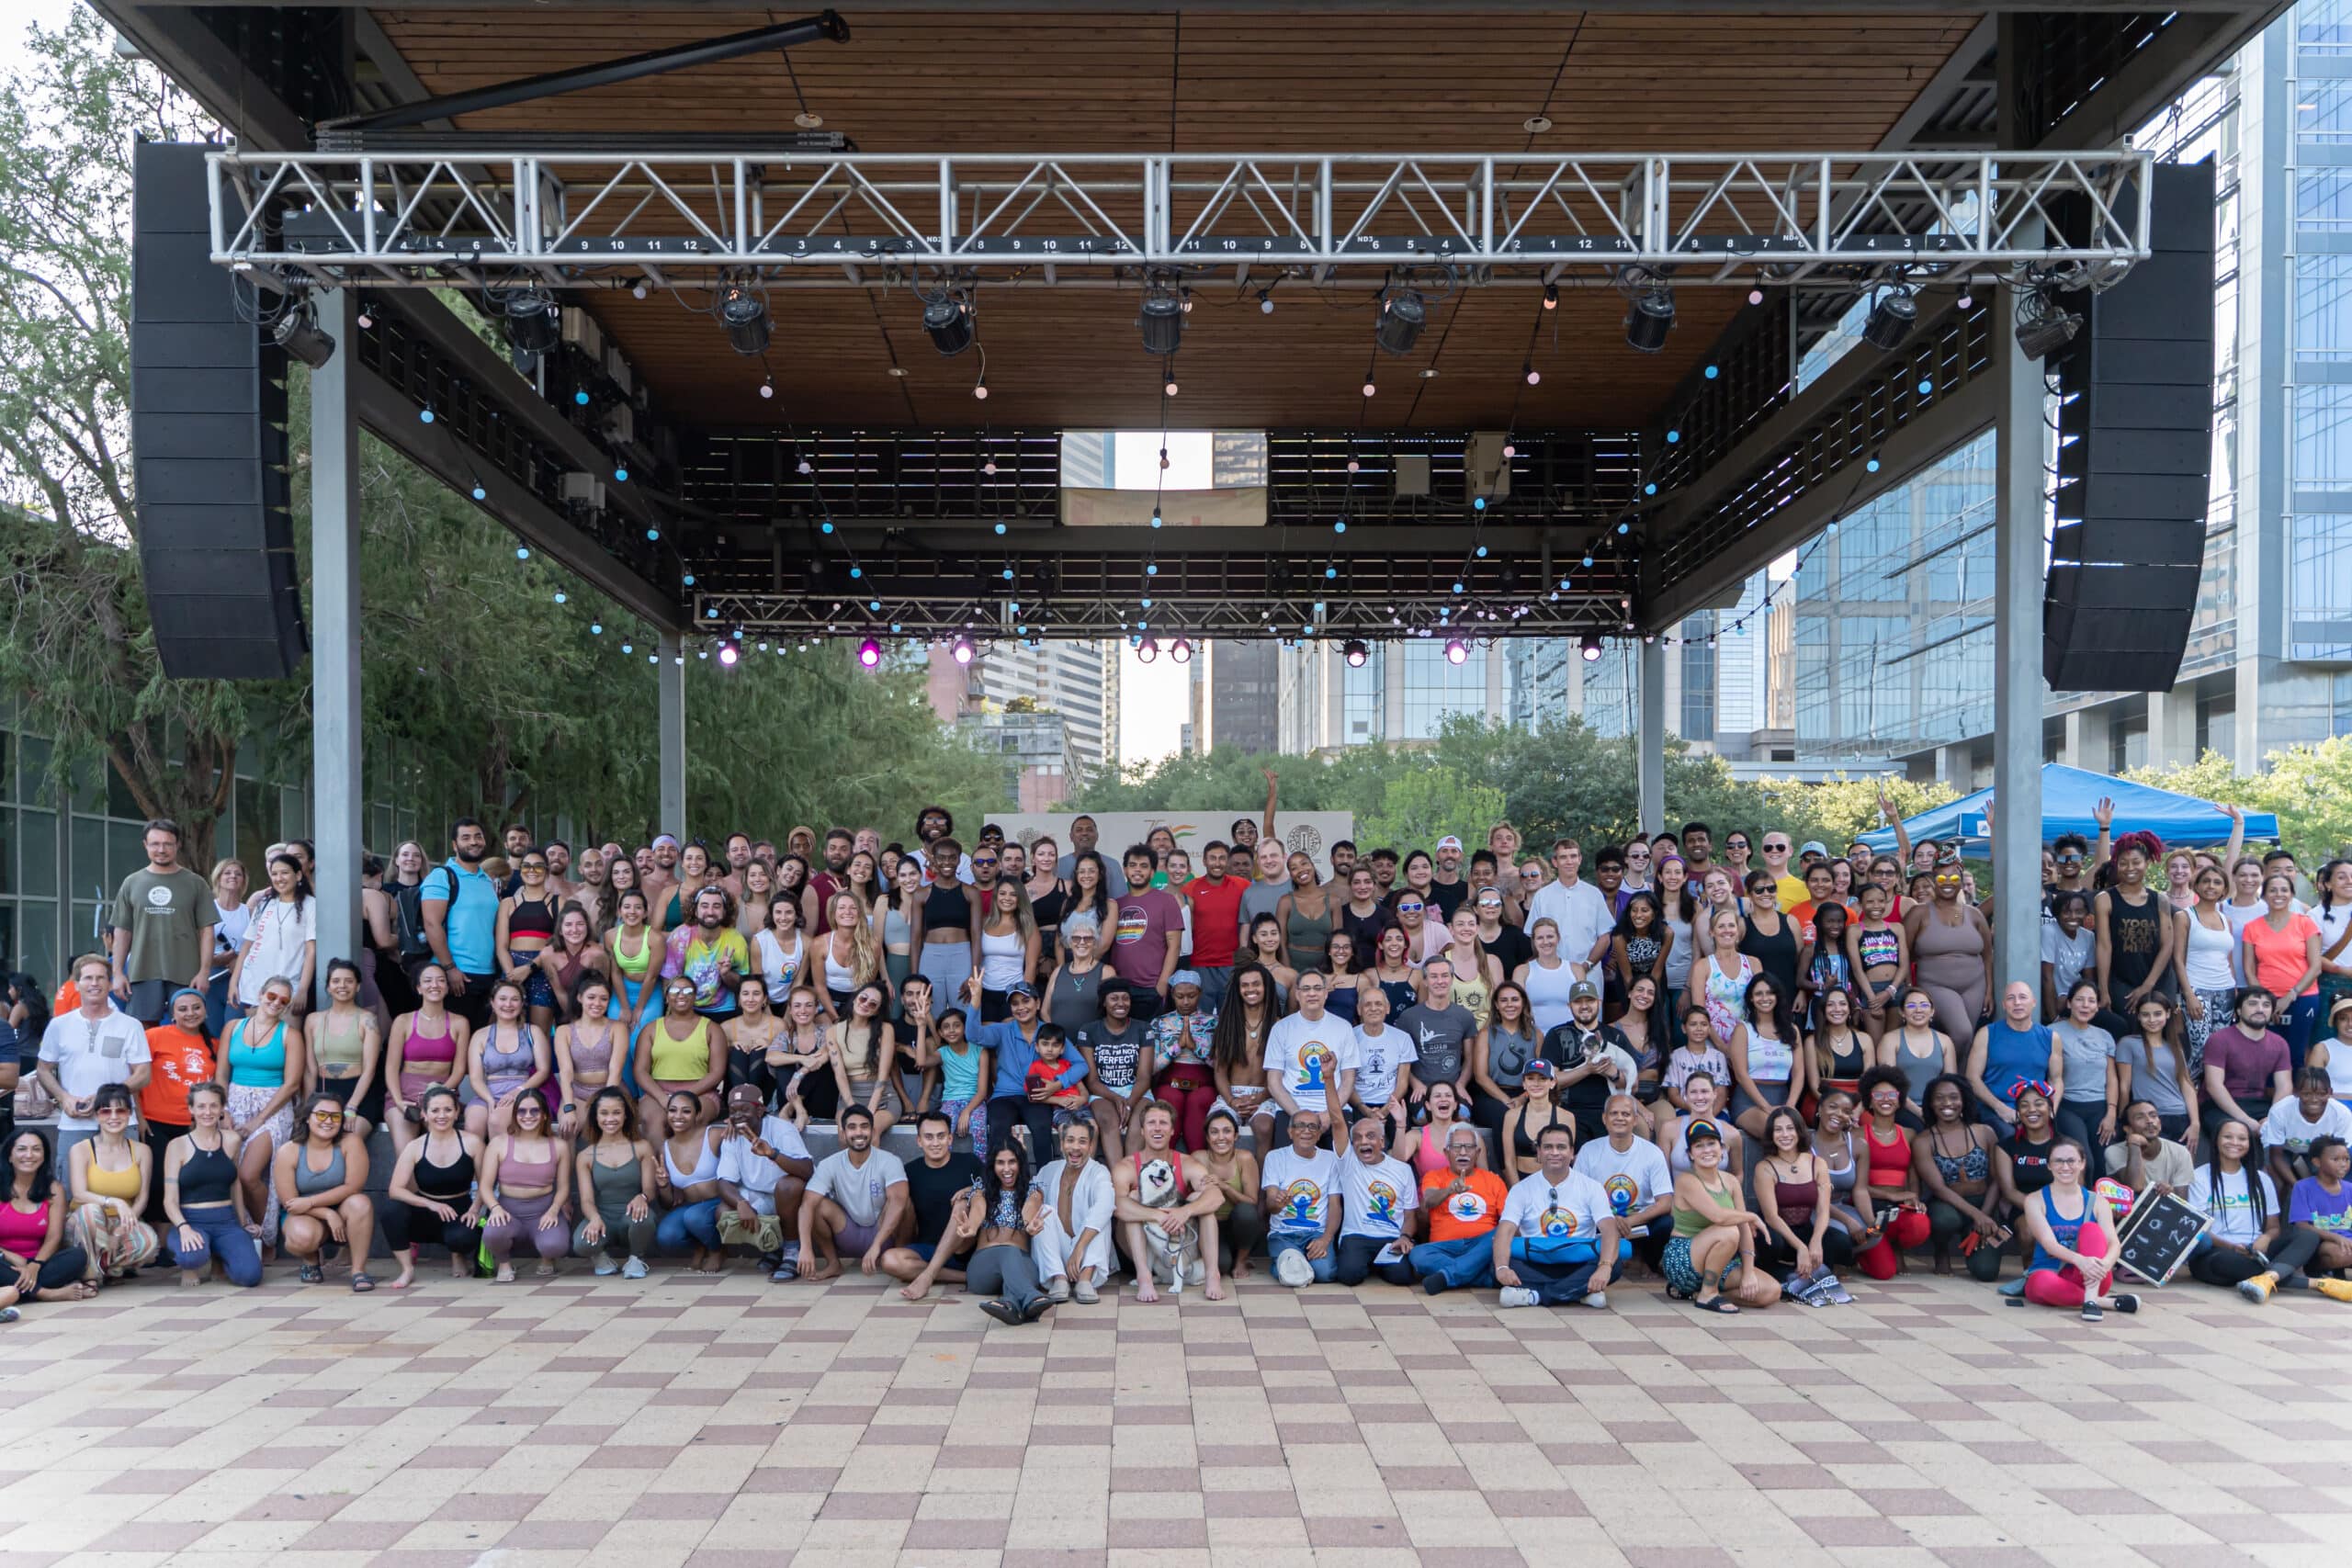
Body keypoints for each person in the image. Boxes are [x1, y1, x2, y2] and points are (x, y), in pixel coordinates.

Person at [38, 953, 153, 1178]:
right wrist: (64, 1098)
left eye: (101, 978)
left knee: (124, 1191)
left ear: (110, 984)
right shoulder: (59, 1025)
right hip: (75, 1122)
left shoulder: (130, 1025)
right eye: (88, 978)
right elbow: (43, 1069)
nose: (94, 983)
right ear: (76, 984)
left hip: (119, 1118)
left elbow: (143, 1074)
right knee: (70, 1194)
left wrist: (106, 1098)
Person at [1493, 1122, 1623, 1310]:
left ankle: (1536, 1295)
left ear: (1571, 1153)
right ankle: (1578, 1293)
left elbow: (1610, 1230)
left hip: (1579, 1264)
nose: (1554, 1152)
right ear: (1538, 1152)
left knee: (1614, 1264)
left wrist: (1604, 1267)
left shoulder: (1591, 1187)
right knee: (1497, 1262)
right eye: (1547, 1147)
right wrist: (1502, 1268)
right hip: (1536, 1264)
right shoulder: (1521, 1189)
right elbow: (1505, 1231)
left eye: (1561, 1147)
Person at [1114, 1100, 1227, 1301]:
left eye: (1163, 1123)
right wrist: (1158, 1215)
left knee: (1199, 1199)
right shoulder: (1128, 1166)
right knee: (1133, 1198)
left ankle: (1212, 1275)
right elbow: (1118, 1207)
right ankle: (1144, 1278)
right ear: (1142, 1131)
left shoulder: (1185, 1162)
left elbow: (1216, 1196)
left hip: (1181, 1246)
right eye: (1151, 1123)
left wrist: (1186, 1211)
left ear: (1173, 1130)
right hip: (1142, 1249)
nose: (1157, 1128)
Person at [2018, 1140, 2140, 1320]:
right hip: (2051, 1274)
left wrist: (2105, 1265)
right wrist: (2080, 1260)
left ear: (2082, 1164)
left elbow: (2113, 1243)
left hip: (2094, 1277)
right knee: (2039, 1284)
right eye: (2058, 1161)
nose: (2065, 1166)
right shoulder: (2035, 1200)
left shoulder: (2099, 1201)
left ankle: (2091, 1298)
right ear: (2049, 1165)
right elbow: (2049, 1244)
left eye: (2071, 1160)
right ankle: (2101, 1302)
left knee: (2091, 1229)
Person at [109, 818, 214, 1025]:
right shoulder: (132, 883)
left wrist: (204, 972)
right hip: (142, 971)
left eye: (167, 844)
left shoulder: (196, 883)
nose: (161, 849)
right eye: (155, 844)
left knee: (187, 1029)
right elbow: (122, 931)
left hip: (186, 972)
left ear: (178, 845)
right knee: (143, 1033)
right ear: (145, 845)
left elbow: (207, 932)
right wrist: (118, 972)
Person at [381, 1084, 487, 1287]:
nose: (442, 1115)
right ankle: (407, 1269)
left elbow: (485, 1184)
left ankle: (458, 1254)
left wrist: (475, 1210)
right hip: (426, 1210)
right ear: (424, 1114)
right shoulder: (415, 1147)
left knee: (462, 1237)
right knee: (391, 1211)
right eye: (435, 1110)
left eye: (448, 1110)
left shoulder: (473, 1143)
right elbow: (395, 1190)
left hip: (460, 1211)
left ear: (457, 1113)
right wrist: (430, 1204)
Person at [1662, 1119, 1772, 1311]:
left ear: (1722, 1149)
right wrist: (1752, 1217)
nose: (1707, 1150)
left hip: (1722, 1260)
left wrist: (1748, 1272)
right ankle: (1708, 1293)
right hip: (1685, 1258)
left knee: (1770, 1291)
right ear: (1690, 1154)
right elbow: (1719, 1217)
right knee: (1729, 1230)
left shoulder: (1731, 1181)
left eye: (1711, 1144)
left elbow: (1744, 1230)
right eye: (1699, 1146)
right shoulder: (1686, 1181)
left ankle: (1699, 1293)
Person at [161, 1081, 263, 1288]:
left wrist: (242, 1224)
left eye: (213, 1106)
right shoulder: (178, 1145)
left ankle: (219, 1257)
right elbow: (169, 1200)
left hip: (226, 1220)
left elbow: (234, 1184)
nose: (207, 1112)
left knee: (250, 1276)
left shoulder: (232, 1140)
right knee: (192, 1257)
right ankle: (190, 1264)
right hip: (191, 1219)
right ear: (191, 1109)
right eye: (201, 1106)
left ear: (222, 1109)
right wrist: (184, 1228)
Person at [273, 1091, 378, 1291]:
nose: (328, 1121)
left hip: (342, 1209)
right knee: (301, 1237)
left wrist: (315, 1203)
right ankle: (311, 1260)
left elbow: (353, 1186)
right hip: (303, 1213)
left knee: (360, 1203)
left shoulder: (351, 1142)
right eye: (321, 1115)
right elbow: (290, 1202)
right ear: (307, 1118)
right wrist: (327, 1213)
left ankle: (358, 1270)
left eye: (335, 1116)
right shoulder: (289, 1151)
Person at [1752, 1105, 1854, 1304]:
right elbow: (1771, 1216)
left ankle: (1803, 1274)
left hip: (1804, 1228)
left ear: (1799, 1131)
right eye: (1778, 1130)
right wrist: (1801, 1248)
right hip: (1776, 1231)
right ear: (1771, 1134)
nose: (1785, 1135)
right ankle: (1774, 1273)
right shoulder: (1764, 1167)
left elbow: (1823, 1210)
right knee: (1773, 1242)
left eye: (1790, 1129)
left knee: (1839, 1241)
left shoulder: (1817, 1163)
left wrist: (1815, 1241)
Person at [797, 1104, 910, 1281]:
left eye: (864, 1127)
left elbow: (898, 1202)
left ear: (873, 1131)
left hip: (885, 1234)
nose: (859, 1133)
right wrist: (805, 1247)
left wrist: (876, 1246)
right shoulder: (829, 1164)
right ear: (842, 1133)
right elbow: (806, 1205)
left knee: (905, 1202)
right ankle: (833, 1263)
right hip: (848, 1232)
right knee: (816, 1205)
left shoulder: (890, 1161)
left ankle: (900, 1259)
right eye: (852, 1127)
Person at [883, 1110, 987, 1298]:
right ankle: (964, 1277)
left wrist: (972, 1190)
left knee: (962, 1203)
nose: (935, 1143)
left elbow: (994, 1190)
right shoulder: (910, 1171)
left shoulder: (969, 1162)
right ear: (919, 1141)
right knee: (890, 1260)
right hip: (927, 1249)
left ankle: (927, 1276)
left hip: (964, 1247)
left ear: (950, 1139)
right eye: (929, 1137)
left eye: (941, 1136)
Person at [2237, 1134, 2352, 1303]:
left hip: (2346, 1240)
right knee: (2341, 1254)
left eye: (2346, 1159)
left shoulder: (2349, 1188)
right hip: (2317, 1243)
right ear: (2317, 1162)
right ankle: (2315, 1267)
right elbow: (2301, 1225)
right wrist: (2336, 1237)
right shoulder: (2303, 1187)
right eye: (2336, 1159)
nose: (2343, 1164)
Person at [713, 1083, 814, 1275]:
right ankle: (773, 1248)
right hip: (759, 1194)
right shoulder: (732, 1136)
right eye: (733, 1111)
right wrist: (741, 1203)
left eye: (745, 1109)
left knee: (788, 1187)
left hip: (792, 1198)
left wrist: (772, 1154)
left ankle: (791, 1252)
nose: (738, 1115)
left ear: (760, 1110)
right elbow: (724, 1181)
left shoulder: (781, 1129)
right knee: (724, 1210)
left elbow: (806, 1170)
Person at [1915, 1074, 2007, 1281]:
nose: (1947, 1103)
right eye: (1939, 1098)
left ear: (1964, 1100)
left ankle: (1976, 1245)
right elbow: (1938, 1188)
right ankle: (1941, 1249)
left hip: (1986, 1203)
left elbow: (1997, 1179)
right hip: (1949, 1204)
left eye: (1954, 1097)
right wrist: (1977, 1215)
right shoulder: (1924, 1141)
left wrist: (1985, 1215)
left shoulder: (1985, 1132)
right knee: (1944, 1220)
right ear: (1930, 1103)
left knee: (1987, 1272)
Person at [1574, 1093, 1676, 1280]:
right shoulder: (1589, 1150)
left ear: (1635, 1120)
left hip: (1640, 1223)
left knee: (1666, 1224)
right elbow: (1577, 1196)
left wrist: (1630, 1221)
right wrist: (1608, 1219)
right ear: (1605, 1119)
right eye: (1614, 1113)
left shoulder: (1652, 1153)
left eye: (1626, 1114)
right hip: (1600, 1222)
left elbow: (1666, 1202)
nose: (1620, 1118)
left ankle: (1649, 1262)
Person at [64, 1084, 160, 1282]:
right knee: (92, 1212)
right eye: (106, 1111)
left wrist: (119, 1230)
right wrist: (116, 1202)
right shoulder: (81, 1149)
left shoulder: (142, 1151)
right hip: (84, 1223)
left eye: (121, 1110)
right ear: (97, 1116)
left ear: (130, 1114)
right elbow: (79, 1193)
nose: (113, 1117)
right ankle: (91, 1276)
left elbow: (142, 1198)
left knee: (149, 1241)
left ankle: (103, 1265)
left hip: (122, 1221)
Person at [951, 1140, 1053, 1325]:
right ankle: (1031, 1297)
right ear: (992, 1165)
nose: (1007, 1169)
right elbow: (977, 1210)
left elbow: (1030, 1209)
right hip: (983, 1269)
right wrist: (971, 1227)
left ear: (1020, 1163)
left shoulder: (1033, 1191)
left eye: (1012, 1162)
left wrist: (1030, 1225)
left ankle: (1011, 1306)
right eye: (1000, 1162)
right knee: (1009, 1251)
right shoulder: (981, 1190)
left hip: (1022, 1264)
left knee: (1014, 1265)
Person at [138, 987, 217, 1223]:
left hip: (195, 1126)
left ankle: (180, 1239)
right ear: (172, 1013)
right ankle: (155, 1243)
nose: (190, 1013)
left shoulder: (214, 1044)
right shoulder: (154, 1036)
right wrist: (139, 1117)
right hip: (155, 1123)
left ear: (205, 1010)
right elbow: (135, 1077)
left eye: (196, 1007)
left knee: (188, 1183)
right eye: (182, 1009)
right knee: (157, 1183)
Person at [1, 1128, 96, 1313]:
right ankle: (45, 1293)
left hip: (39, 1262)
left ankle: (21, 1289)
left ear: (44, 1156)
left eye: (36, 1149)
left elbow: (54, 1237)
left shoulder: (53, 1189)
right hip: (4, 1261)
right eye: (21, 1149)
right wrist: (11, 1256)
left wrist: (35, 1265)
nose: (29, 1155)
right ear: (10, 1156)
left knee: (77, 1257)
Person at [480, 1089, 571, 1281]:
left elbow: (563, 1187)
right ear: (515, 1115)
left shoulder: (559, 1146)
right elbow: (485, 1186)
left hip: (544, 1211)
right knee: (493, 1233)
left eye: (534, 1111)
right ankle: (504, 1263)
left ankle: (547, 1259)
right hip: (508, 1211)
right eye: (521, 1111)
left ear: (545, 1114)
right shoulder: (498, 1144)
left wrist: (554, 1210)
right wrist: (495, 1209)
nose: (528, 1116)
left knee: (556, 1245)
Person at [1409, 1122, 1510, 1293]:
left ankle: (1448, 1276)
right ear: (1446, 1152)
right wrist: (1449, 1190)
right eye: (1456, 1147)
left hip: (1482, 1245)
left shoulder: (1493, 1181)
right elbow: (1428, 1200)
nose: (1463, 1152)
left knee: (1503, 1231)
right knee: (1418, 1254)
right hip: (1445, 1247)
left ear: (1478, 1153)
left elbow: (1509, 1221)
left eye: (1469, 1147)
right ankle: (1480, 1276)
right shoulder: (1434, 1176)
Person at [2182, 1120, 2281, 1292]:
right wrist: (2233, 1247)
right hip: (2219, 1251)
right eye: (2228, 1137)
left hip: (2257, 1250)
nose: (2235, 1143)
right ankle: (2286, 1277)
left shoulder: (2262, 1179)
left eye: (2242, 1139)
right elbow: (2199, 1229)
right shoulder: (2200, 1177)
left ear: (2249, 1144)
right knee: (2225, 1263)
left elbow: (2274, 1227)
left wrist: (2265, 1238)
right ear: (2216, 1141)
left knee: (2304, 1237)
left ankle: (2264, 1276)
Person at [421, 820, 501, 1028]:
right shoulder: (442, 876)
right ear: (455, 845)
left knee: (477, 1044)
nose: (473, 842)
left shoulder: (486, 880)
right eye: (466, 838)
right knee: (454, 1043)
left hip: (487, 974)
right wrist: (449, 968)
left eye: (478, 836)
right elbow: (431, 923)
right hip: (458, 975)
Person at [385, 964, 469, 1160]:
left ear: (447, 987)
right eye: (428, 980)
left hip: (443, 1091)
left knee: (440, 1154)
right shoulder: (403, 1021)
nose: (435, 985)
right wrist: (398, 1101)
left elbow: (459, 1070)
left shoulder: (459, 1023)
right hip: (405, 1094)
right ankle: (407, 1191)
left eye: (441, 980)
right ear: (418, 988)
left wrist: (438, 1094)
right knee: (406, 1154)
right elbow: (390, 1068)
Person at [2095, 831, 2175, 1037]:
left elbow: (2167, 945)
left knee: (2162, 1037)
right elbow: (2104, 946)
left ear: (2147, 862)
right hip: (2122, 982)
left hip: (2157, 981)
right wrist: (2103, 991)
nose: (2130, 868)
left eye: (2136, 862)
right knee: (2129, 1034)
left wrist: (2148, 985)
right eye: (2123, 863)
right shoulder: (2105, 899)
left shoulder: (2160, 900)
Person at [1907, 862, 1993, 1047]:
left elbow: (1987, 955)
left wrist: (1989, 990)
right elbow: (1904, 954)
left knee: (1967, 1039)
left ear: (1961, 882)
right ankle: (1947, 1074)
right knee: (1962, 1033)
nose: (1948, 882)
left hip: (1974, 986)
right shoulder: (1918, 913)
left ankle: (1959, 1076)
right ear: (1933, 882)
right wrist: (1909, 990)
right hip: (1936, 985)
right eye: (1941, 878)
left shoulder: (1974, 914)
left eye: (1954, 878)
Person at [1263, 969, 1356, 1144]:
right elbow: (1273, 1082)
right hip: (1291, 1110)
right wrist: (1299, 1116)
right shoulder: (1281, 1029)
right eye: (1306, 989)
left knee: (1343, 1164)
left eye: (1317, 988)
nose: (1312, 993)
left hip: (1335, 1110)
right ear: (1297, 994)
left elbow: (1348, 1079)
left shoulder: (1343, 1027)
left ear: (1326, 993)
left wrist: (1330, 1114)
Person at [1031, 1113, 1114, 1302]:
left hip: (1086, 1251)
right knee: (1044, 1213)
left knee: (1102, 1215)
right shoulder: (1048, 1170)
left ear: (1091, 1147)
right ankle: (1059, 1278)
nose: (1076, 1147)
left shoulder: (1099, 1172)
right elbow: (1031, 1196)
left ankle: (1085, 1278)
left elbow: (1104, 1206)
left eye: (1082, 1142)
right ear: (1061, 1144)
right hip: (1056, 1252)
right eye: (1070, 1140)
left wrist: (1079, 1248)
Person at [2244, 872, 2324, 1061]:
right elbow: (2249, 968)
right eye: (2272, 890)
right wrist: (2265, 1001)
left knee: (2296, 1053)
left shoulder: (2306, 923)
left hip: (2303, 997)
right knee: (2267, 1054)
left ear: (2292, 894)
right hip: (2266, 998)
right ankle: (2271, 1091)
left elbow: (2316, 967)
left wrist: (2290, 996)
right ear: (2263, 895)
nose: (2278, 894)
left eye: (2284, 890)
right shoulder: (2252, 927)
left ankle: (2296, 1090)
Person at [1965, 980, 2062, 1134]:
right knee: (2009, 1136)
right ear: (2004, 1004)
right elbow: (1972, 1078)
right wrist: (2000, 1108)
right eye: (2011, 998)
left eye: (2023, 997)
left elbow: (2056, 1079)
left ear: (2034, 1002)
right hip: (1994, 1108)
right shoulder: (1987, 1033)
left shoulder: (2050, 1037)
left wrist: (2051, 1110)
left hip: (2034, 1108)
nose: (2017, 1003)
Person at [1261, 1107, 1343, 1288]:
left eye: (1313, 1126)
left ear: (1320, 1134)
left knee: (1326, 1274)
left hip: (1316, 1233)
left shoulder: (1330, 1160)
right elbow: (1271, 1205)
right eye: (1300, 1126)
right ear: (1290, 1132)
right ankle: (1289, 1261)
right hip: (1283, 1234)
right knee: (1293, 1272)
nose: (1306, 1131)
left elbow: (1335, 1206)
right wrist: (1278, 1204)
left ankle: (1292, 1262)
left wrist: (1325, 1239)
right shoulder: (1275, 1157)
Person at [305, 958, 385, 1141]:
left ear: (357, 987)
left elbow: (370, 1069)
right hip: (324, 1090)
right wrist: (307, 1105)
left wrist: (352, 1107)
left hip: (359, 1092)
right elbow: (310, 1071)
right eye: (336, 981)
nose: (342, 985)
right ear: (328, 987)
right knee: (313, 1139)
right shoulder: (313, 1020)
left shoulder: (367, 1020)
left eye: (349, 981)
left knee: (348, 1140)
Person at [637, 977, 726, 1130]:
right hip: (659, 1093)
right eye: (674, 991)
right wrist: (662, 1098)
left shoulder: (712, 1029)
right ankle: (659, 1155)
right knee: (654, 1121)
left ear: (695, 996)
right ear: (666, 997)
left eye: (688, 991)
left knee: (692, 1118)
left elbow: (717, 1072)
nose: (681, 995)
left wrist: (685, 1096)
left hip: (701, 1092)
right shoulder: (651, 1029)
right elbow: (640, 1071)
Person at [2202, 986, 2293, 1134]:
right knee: (2236, 1132)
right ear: (2238, 1010)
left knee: (2289, 1129)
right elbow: (2214, 1086)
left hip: (2259, 1104)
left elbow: (2285, 1086)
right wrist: (2245, 1120)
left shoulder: (2280, 1043)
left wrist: (2272, 1118)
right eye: (2252, 1004)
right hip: (2220, 1106)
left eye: (2266, 1005)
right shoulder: (2219, 1039)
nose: (2260, 1009)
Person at [654, 1091, 727, 1274]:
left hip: (720, 1202)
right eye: (672, 1110)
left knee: (694, 1217)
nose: (678, 1116)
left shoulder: (714, 1135)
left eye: (686, 1111)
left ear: (697, 1115)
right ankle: (702, 1244)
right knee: (666, 1236)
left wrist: (735, 1124)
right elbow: (667, 1203)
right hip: (691, 1206)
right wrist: (663, 1186)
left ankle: (716, 1250)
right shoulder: (665, 1147)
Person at [1108, 846, 1184, 1021]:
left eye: (1143, 866)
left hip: (1151, 988)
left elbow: (1175, 946)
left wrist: (1162, 984)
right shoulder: (1115, 904)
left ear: (1152, 872)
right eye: (1132, 865)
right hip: (1119, 988)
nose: (1137, 870)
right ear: (1125, 870)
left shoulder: (1166, 901)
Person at [1142, 973, 1215, 1155]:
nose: (1185, 1002)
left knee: (1199, 1101)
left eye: (1192, 996)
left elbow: (1221, 1066)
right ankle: (1163, 1161)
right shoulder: (1159, 1024)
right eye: (1179, 996)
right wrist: (1176, 1048)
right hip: (1169, 1082)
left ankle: (1196, 1163)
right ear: (1172, 995)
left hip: (1203, 1084)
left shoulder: (1213, 1023)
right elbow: (1149, 1068)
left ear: (1200, 993)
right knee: (1169, 1100)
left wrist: (1196, 1048)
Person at [2115, 996, 2199, 1146]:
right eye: (2146, 1015)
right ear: (2138, 1017)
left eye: (2157, 1014)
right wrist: (2123, 1121)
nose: (2152, 1019)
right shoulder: (2128, 1044)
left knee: (2180, 1167)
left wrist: (2195, 1123)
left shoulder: (2175, 1047)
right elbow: (2124, 1087)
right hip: (2148, 1117)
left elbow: (2186, 1085)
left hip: (2180, 1115)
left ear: (2167, 1014)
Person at [829, 982, 909, 1138]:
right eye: (863, 998)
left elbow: (884, 1073)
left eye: (873, 1004)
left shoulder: (886, 1029)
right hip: (850, 1095)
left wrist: (871, 1107)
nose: (866, 1004)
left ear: (876, 1011)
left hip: (882, 1097)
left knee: (870, 1133)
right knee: (845, 1134)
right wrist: (851, 1106)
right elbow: (839, 1074)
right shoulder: (833, 1031)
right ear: (854, 998)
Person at [2262, 1069, 2352, 1197]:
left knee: (2328, 1183)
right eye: (2307, 1094)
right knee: (2278, 1185)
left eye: (2321, 1094)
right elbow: (2276, 1156)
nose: (2314, 1099)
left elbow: (2340, 1154)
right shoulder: (2280, 1111)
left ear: (2330, 1093)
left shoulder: (2341, 1114)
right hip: (2283, 1150)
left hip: (2319, 1152)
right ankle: (2277, 1216)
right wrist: (2298, 1186)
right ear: (2296, 1093)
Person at [1346, 985, 1416, 1144]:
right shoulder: (1349, 1037)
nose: (1373, 1008)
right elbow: (1347, 1082)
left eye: (1378, 1004)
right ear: (1359, 1009)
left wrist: (1384, 1111)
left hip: (1391, 1103)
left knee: (1400, 1145)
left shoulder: (1402, 1038)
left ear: (1388, 1008)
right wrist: (1366, 1111)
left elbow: (1402, 1083)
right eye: (1367, 1004)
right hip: (1358, 1105)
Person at [2105, 1098, 2194, 1201]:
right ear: (2128, 1129)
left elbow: (2182, 1201)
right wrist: (2134, 1143)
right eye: (2140, 1117)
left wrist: (2171, 1192)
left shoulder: (2180, 1152)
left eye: (2153, 1116)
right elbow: (2135, 1186)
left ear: (2160, 1124)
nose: (2149, 1121)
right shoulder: (2114, 1151)